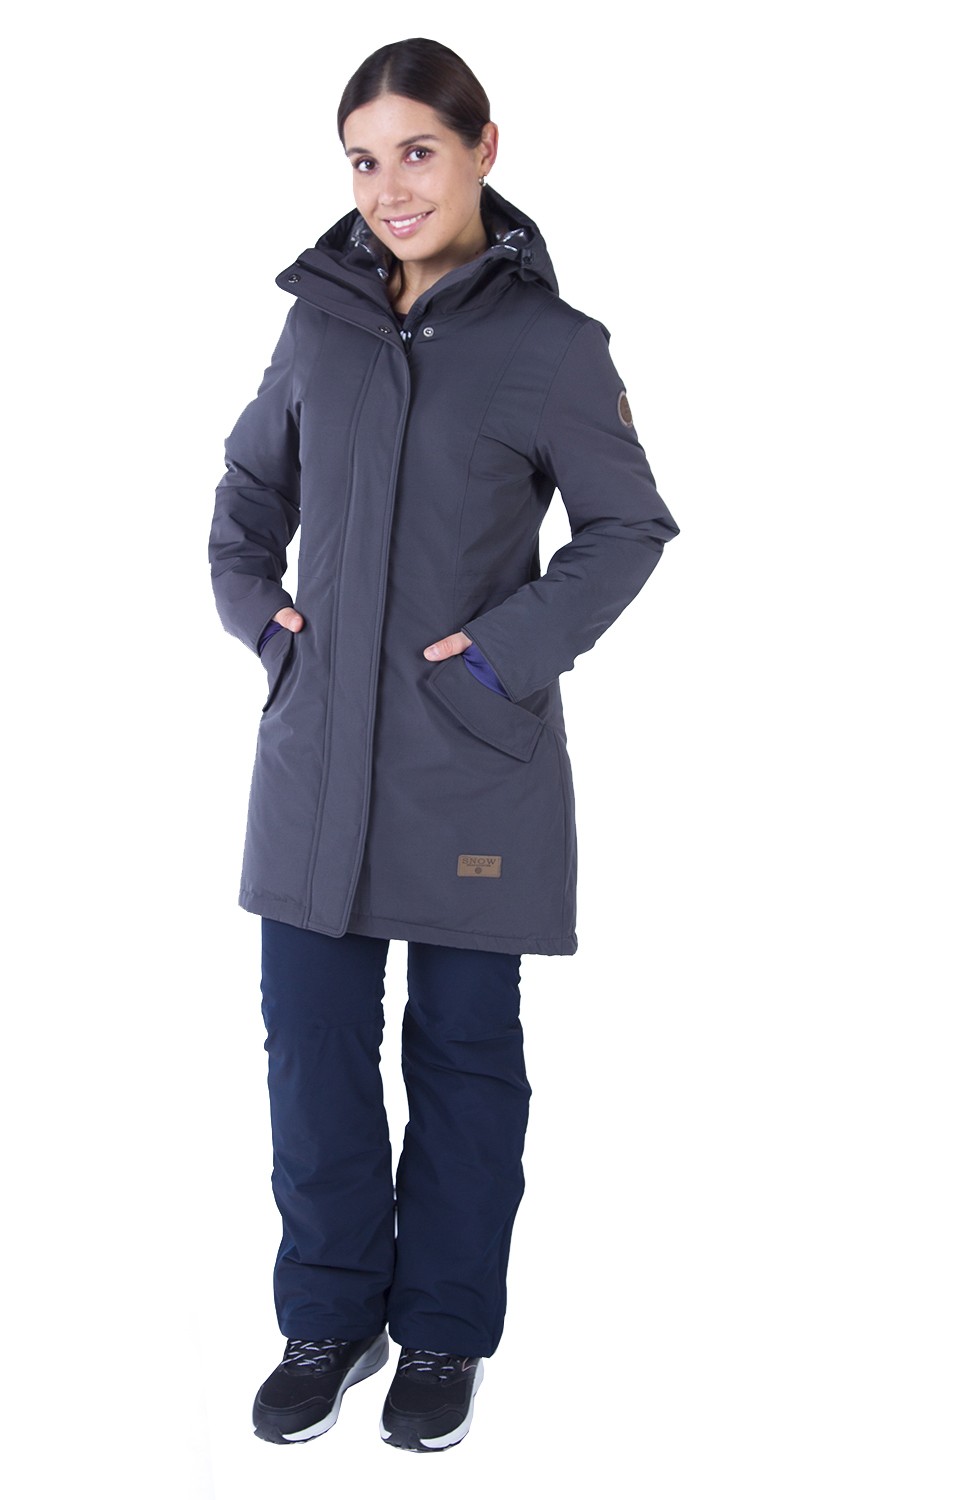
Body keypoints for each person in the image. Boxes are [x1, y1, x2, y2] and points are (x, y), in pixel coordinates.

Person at [208, 37, 678, 1452]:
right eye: (364, 159)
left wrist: (500, 655)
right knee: (311, 1056)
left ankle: (444, 1334)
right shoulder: (317, 327)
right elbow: (245, 494)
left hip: (469, 758)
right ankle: (328, 1318)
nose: (389, 187)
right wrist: (267, 625)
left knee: (465, 1059)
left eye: (417, 150)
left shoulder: (554, 347)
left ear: (483, 148)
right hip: (315, 765)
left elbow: (627, 527)